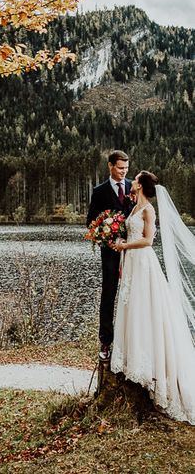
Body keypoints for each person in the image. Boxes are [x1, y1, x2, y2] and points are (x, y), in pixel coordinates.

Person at [111, 171, 195, 424]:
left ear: (141, 185)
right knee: (131, 305)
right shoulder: (135, 207)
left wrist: (125, 246)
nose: (132, 180)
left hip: (144, 263)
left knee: (144, 307)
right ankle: (131, 356)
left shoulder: (148, 210)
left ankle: (149, 365)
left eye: (135, 178)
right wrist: (122, 244)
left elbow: (148, 240)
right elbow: (135, 236)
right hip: (132, 262)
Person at [87, 150, 133, 359]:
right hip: (110, 255)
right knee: (109, 296)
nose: (124, 172)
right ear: (110, 166)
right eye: (120, 168)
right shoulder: (100, 191)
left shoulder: (135, 186)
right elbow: (90, 222)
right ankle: (106, 343)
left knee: (134, 295)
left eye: (126, 168)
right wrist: (108, 235)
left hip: (133, 253)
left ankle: (132, 342)